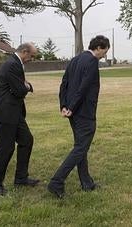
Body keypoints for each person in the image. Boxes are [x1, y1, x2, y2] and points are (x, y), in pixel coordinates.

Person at [47, 35, 110, 198]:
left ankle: (86, 183)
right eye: (105, 51)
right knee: (81, 148)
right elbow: (83, 88)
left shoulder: (75, 60)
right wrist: (71, 107)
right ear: (99, 47)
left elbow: (64, 83)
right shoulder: (91, 61)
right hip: (84, 113)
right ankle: (56, 182)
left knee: (81, 147)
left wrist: (64, 106)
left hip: (73, 112)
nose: (104, 55)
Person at [0, 42, 39, 195]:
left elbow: (19, 87)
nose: (32, 59)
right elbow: (19, 90)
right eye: (31, 55)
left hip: (14, 112)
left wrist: (24, 86)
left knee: (26, 140)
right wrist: (27, 87)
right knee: (6, 148)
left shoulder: (16, 63)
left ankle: (21, 178)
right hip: (5, 112)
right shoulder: (12, 65)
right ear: (24, 52)